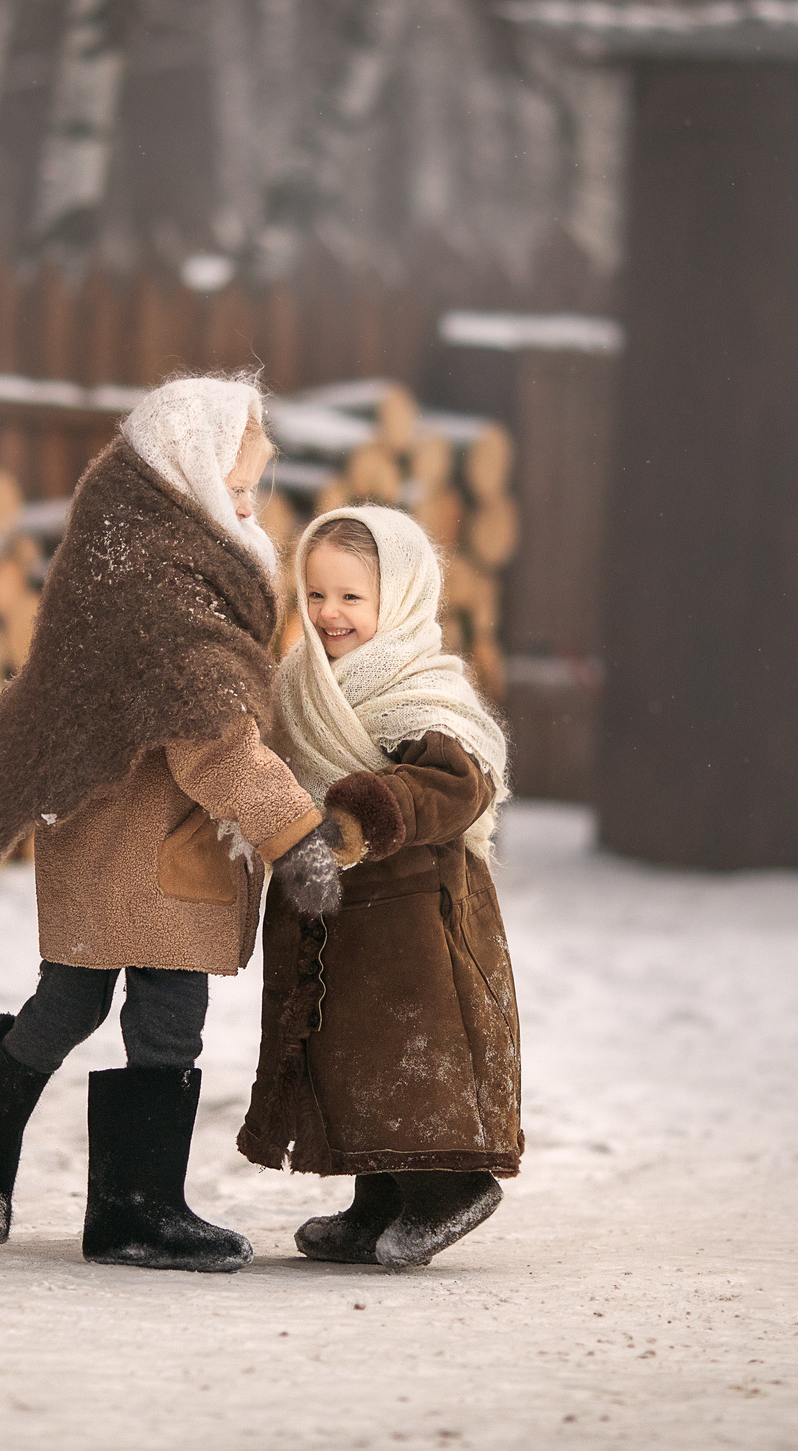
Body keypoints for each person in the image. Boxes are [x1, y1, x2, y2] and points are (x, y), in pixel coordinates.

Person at [0, 375, 346, 1273]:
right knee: (142, 1010)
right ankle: (130, 1209)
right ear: (189, 462)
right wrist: (294, 834)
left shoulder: (143, 525)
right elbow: (213, 739)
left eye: (252, 487)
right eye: (237, 484)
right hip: (147, 835)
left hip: (120, 827)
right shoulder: (158, 569)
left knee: (82, 1002)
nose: (248, 503)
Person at [239, 506, 523, 1270]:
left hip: (411, 917)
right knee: (346, 1053)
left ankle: (449, 1189)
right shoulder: (303, 684)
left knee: (407, 1051)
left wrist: (368, 814)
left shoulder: (420, 691)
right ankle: (378, 1199)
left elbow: (456, 784)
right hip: (333, 909)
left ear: (396, 598)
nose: (330, 613)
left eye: (351, 598)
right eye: (318, 593)